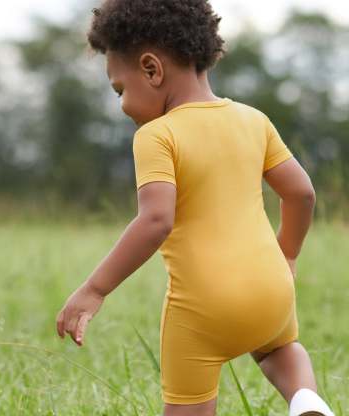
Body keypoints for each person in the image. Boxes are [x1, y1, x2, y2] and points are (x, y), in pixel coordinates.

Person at [55, 1, 336, 415]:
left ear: (151, 69)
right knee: (279, 348)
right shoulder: (253, 120)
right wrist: (288, 254)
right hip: (272, 290)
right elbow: (302, 194)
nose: (122, 105)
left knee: (189, 404)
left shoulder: (157, 136)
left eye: (120, 90)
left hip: (203, 307)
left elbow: (156, 220)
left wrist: (94, 290)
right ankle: (304, 398)